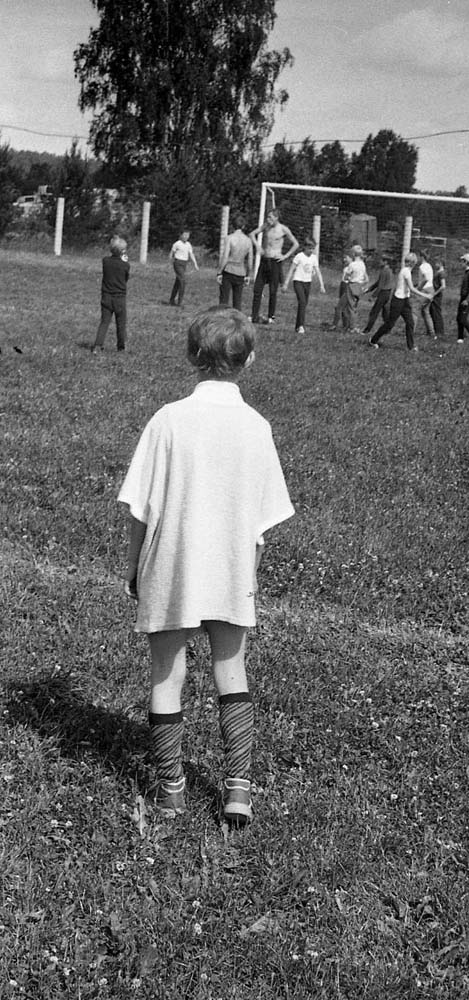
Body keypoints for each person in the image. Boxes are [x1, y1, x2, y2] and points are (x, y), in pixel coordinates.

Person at [118, 307, 294, 826]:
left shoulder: (168, 419)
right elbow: (264, 518)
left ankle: (171, 790)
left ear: (191, 355)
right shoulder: (256, 427)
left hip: (171, 565)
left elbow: (140, 507)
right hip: (232, 568)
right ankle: (237, 790)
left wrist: (133, 565)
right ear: (250, 360)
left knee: (166, 673)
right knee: (230, 669)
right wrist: (252, 572)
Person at [368, 252, 428, 351]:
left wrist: (422, 283)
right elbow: (412, 288)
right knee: (389, 324)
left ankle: (411, 346)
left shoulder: (407, 271)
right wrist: (426, 295)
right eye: (412, 262)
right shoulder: (406, 271)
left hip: (405, 300)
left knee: (410, 323)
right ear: (413, 263)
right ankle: (373, 340)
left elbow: (410, 287)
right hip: (398, 301)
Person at [250, 209, 299, 325]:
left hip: (275, 262)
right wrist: (258, 246)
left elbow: (296, 244)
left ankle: (271, 316)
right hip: (265, 260)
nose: (268, 219)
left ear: (277, 218)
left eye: (271, 217)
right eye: (267, 217)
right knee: (257, 289)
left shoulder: (283, 229)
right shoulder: (266, 226)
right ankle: (254, 315)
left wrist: (285, 256)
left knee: (273, 290)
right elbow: (252, 234)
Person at [91, 235, 130, 355]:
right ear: (123, 251)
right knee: (121, 324)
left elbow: (110, 260)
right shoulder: (125, 265)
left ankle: (97, 346)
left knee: (104, 322)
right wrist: (125, 260)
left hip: (106, 296)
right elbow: (126, 277)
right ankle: (121, 347)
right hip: (120, 298)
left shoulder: (105, 261)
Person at [281, 237, 326, 333]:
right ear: (304, 247)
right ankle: (301, 325)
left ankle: (298, 326)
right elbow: (291, 269)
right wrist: (285, 283)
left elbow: (318, 271)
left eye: (313, 248)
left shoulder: (314, 258)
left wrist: (322, 285)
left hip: (307, 282)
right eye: (309, 248)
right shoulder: (299, 256)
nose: (311, 250)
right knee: (302, 301)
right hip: (298, 281)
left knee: (304, 304)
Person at [217, 215, 254, 312]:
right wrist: (248, 275)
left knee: (224, 300)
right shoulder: (248, 241)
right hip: (241, 271)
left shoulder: (229, 238)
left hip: (229, 269)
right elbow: (250, 261)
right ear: (243, 226)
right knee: (237, 301)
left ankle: (222, 320)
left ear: (233, 226)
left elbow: (225, 257)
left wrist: (219, 272)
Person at [337, 244, 368, 332]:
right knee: (354, 305)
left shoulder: (352, 265)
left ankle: (353, 327)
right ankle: (350, 325)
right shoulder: (362, 264)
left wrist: (348, 277)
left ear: (353, 254)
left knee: (350, 307)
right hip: (359, 286)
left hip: (352, 285)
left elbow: (346, 276)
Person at [362, 255, 394, 336]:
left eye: (381, 261)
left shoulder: (384, 271)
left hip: (383, 293)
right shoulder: (389, 271)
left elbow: (380, 286)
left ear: (385, 262)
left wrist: (373, 296)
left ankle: (367, 330)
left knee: (374, 312)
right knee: (385, 313)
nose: (380, 262)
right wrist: (369, 289)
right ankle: (388, 329)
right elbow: (378, 283)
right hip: (388, 293)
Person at [168, 230, 199, 307]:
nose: (186, 237)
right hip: (177, 263)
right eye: (184, 235)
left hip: (184, 263)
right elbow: (171, 254)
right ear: (181, 235)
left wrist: (195, 263)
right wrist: (171, 262)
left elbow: (191, 254)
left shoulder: (188, 244)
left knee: (178, 282)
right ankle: (180, 302)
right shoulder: (177, 244)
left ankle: (171, 300)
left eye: (188, 235)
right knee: (183, 281)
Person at [330, 252, 353, 329]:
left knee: (340, 306)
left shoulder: (353, 266)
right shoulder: (346, 267)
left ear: (351, 257)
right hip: (343, 285)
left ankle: (335, 325)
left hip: (347, 286)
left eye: (346, 258)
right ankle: (345, 324)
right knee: (343, 307)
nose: (344, 260)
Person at [456, 253, 469, 343]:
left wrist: (467, 300)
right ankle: (460, 338)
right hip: (463, 298)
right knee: (459, 317)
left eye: (462, 261)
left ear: (466, 262)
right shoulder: (466, 273)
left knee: (463, 318)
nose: (461, 263)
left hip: (468, 299)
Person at [416, 249, 435, 337]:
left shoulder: (422, 266)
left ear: (422, 257)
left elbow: (426, 278)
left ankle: (411, 331)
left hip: (425, 289)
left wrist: (419, 288)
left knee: (415, 310)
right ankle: (431, 332)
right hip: (431, 289)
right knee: (426, 311)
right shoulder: (429, 266)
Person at [430, 257, 446, 338]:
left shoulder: (441, 273)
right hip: (434, 294)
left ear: (440, 264)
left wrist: (435, 293)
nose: (435, 265)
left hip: (437, 295)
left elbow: (443, 286)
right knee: (433, 312)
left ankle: (439, 331)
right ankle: (435, 330)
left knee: (437, 313)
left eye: (436, 263)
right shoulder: (438, 272)